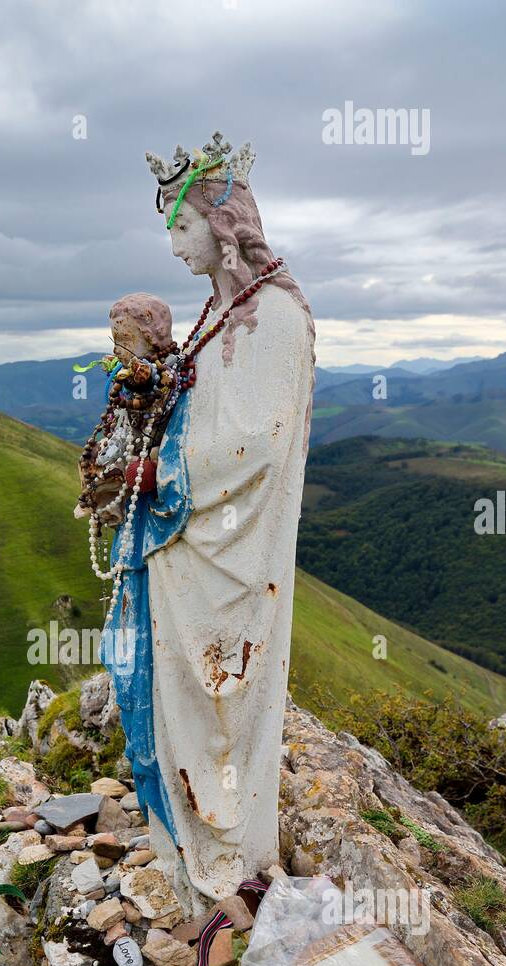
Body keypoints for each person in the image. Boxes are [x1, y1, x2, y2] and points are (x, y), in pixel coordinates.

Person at [101, 134, 316, 907]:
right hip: (186, 542)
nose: (173, 247)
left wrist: (162, 469)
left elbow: (257, 439)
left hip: (228, 549)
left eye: (182, 228)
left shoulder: (275, 316)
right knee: (178, 696)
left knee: (222, 699)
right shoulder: (218, 315)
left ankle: (227, 864)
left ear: (222, 227)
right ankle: (185, 845)